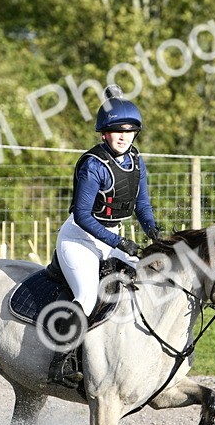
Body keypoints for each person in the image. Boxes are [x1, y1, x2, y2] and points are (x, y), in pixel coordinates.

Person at [49, 84, 163, 387]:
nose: (123, 136)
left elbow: (142, 204)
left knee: (148, 281)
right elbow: (83, 215)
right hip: (79, 239)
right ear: (104, 133)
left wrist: (153, 230)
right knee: (87, 296)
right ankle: (61, 362)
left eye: (129, 131)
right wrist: (119, 242)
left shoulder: (136, 161)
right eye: (116, 131)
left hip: (112, 237)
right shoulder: (92, 165)